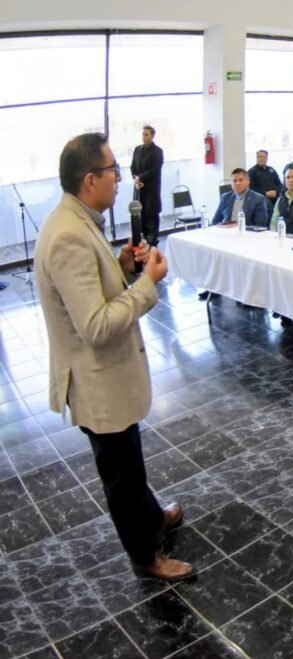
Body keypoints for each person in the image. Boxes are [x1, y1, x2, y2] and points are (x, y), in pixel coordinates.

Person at [36, 132, 191, 581]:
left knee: (130, 460)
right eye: (113, 171)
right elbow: (96, 326)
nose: (120, 179)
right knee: (120, 475)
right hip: (96, 381)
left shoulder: (79, 219)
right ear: (90, 179)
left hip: (108, 378)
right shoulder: (67, 236)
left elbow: (91, 289)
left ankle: (153, 518)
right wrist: (147, 284)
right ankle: (145, 557)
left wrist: (121, 267)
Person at [129, 125, 163, 247]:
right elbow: (132, 166)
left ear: (152, 136)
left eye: (146, 135)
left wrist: (141, 178)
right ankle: (143, 243)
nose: (144, 137)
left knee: (151, 219)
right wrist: (136, 178)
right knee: (140, 218)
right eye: (143, 134)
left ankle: (152, 243)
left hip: (151, 191)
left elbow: (155, 170)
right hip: (139, 189)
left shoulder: (158, 151)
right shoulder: (137, 149)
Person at [248, 149, 282, 217]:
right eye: (260, 157)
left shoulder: (271, 170)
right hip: (261, 197)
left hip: (275, 195)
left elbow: (279, 184)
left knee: (284, 202)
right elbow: (251, 188)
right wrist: (265, 193)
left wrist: (276, 192)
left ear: (267, 158)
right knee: (268, 205)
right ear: (256, 158)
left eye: (264, 157)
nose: (262, 158)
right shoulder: (251, 172)